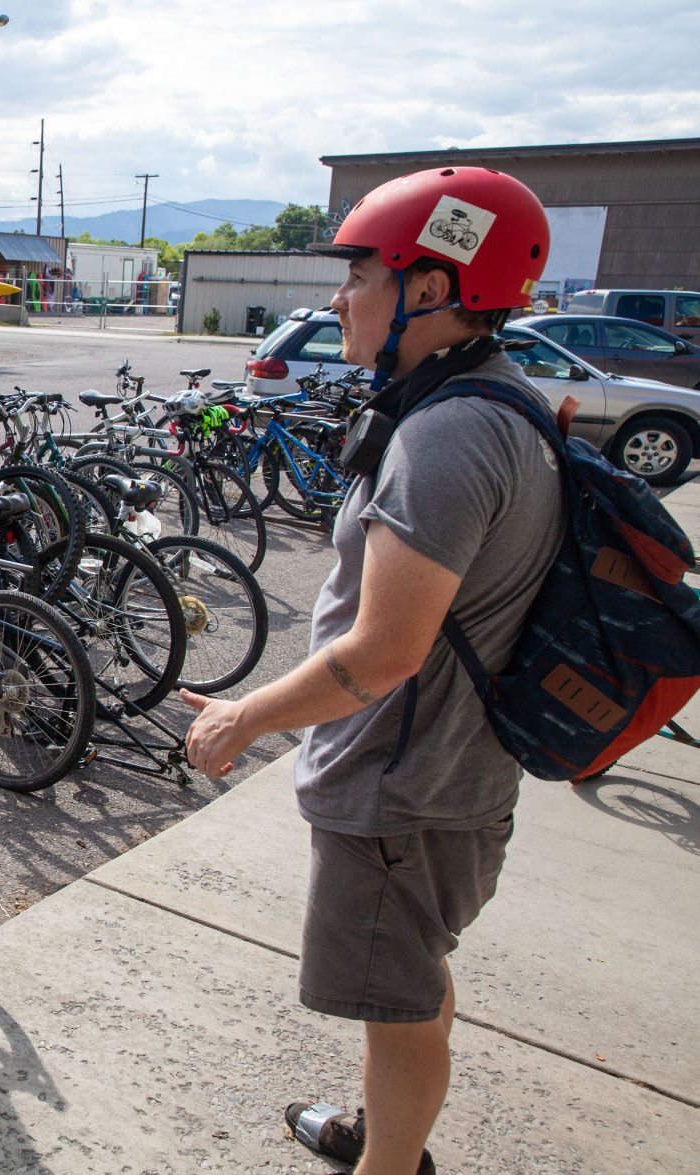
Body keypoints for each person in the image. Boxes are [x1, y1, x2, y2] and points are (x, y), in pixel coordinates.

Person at [180, 167, 560, 1175]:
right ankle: (383, 1129)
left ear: (429, 290)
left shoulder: (447, 437)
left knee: (402, 1000)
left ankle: (388, 1164)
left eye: (358, 273)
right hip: (438, 780)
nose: (337, 298)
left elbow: (384, 651)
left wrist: (241, 718)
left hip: (403, 794)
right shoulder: (484, 401)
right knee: (408, 979)